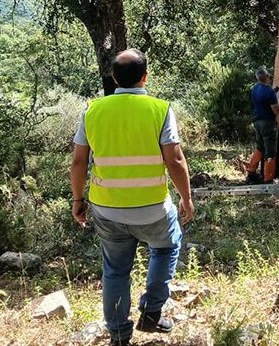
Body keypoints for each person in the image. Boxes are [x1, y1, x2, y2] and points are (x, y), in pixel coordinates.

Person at [70, 49, 194, 346]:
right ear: (145, 77)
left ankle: (118, 336)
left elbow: (78, 163)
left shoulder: (92, 110)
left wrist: (77, 201)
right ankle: (151, 312)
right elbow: (175, 161)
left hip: (107, 209)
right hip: (152, 209)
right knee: (165, 247)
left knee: (115, 270)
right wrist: (186, 198)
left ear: (113, 78)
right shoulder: (160, 109)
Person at [246, 66, 279, 184]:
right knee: (270, 150)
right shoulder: (269, 92)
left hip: (257, 123)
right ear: (266, 77)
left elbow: (265, 96)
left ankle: (251, 173)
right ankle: (268, 179)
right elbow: (276, 110)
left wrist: (277, 89)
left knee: (259, 147)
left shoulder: (255, 89)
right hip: (268, 124)